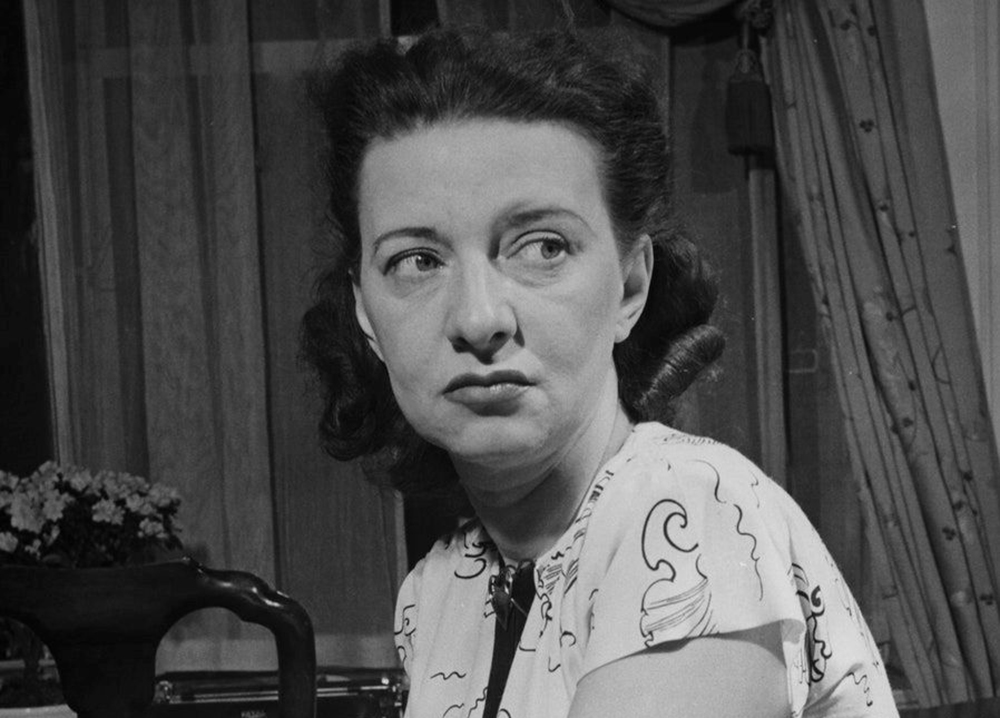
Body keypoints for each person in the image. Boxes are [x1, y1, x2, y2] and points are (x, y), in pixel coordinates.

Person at [302, 27, 899, 718]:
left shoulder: (689, 510)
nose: (478, 318)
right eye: (417, 261)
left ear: (630, 287)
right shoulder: (438, 590)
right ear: (366, 314)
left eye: (542, 247)